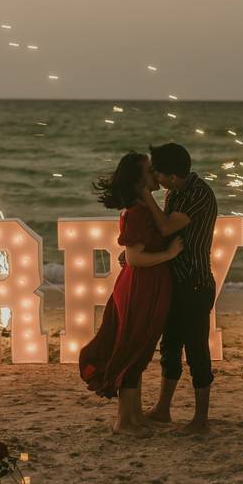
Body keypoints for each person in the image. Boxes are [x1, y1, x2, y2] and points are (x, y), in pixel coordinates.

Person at [78, 152, 183, 437]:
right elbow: (135, 259)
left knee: (140, 349)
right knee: (132, 350)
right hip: (140, 287)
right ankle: (124, 421)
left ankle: (134, 416)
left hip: (148, 285)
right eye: (150, 170)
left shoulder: (144, 208)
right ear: (139, 181)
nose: (156, 173)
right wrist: (169, 253)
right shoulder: (138, 213)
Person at [140, 142, 218, 434]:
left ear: (172, 176)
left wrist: (145, 194)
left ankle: (201, 419)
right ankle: (163, 409)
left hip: (195, 283)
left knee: (196, 349)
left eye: (157, 173)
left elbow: (166, 228)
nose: (154, 178)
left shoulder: (198, 194)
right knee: (170, 346)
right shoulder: (176, 192)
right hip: (176, 281)